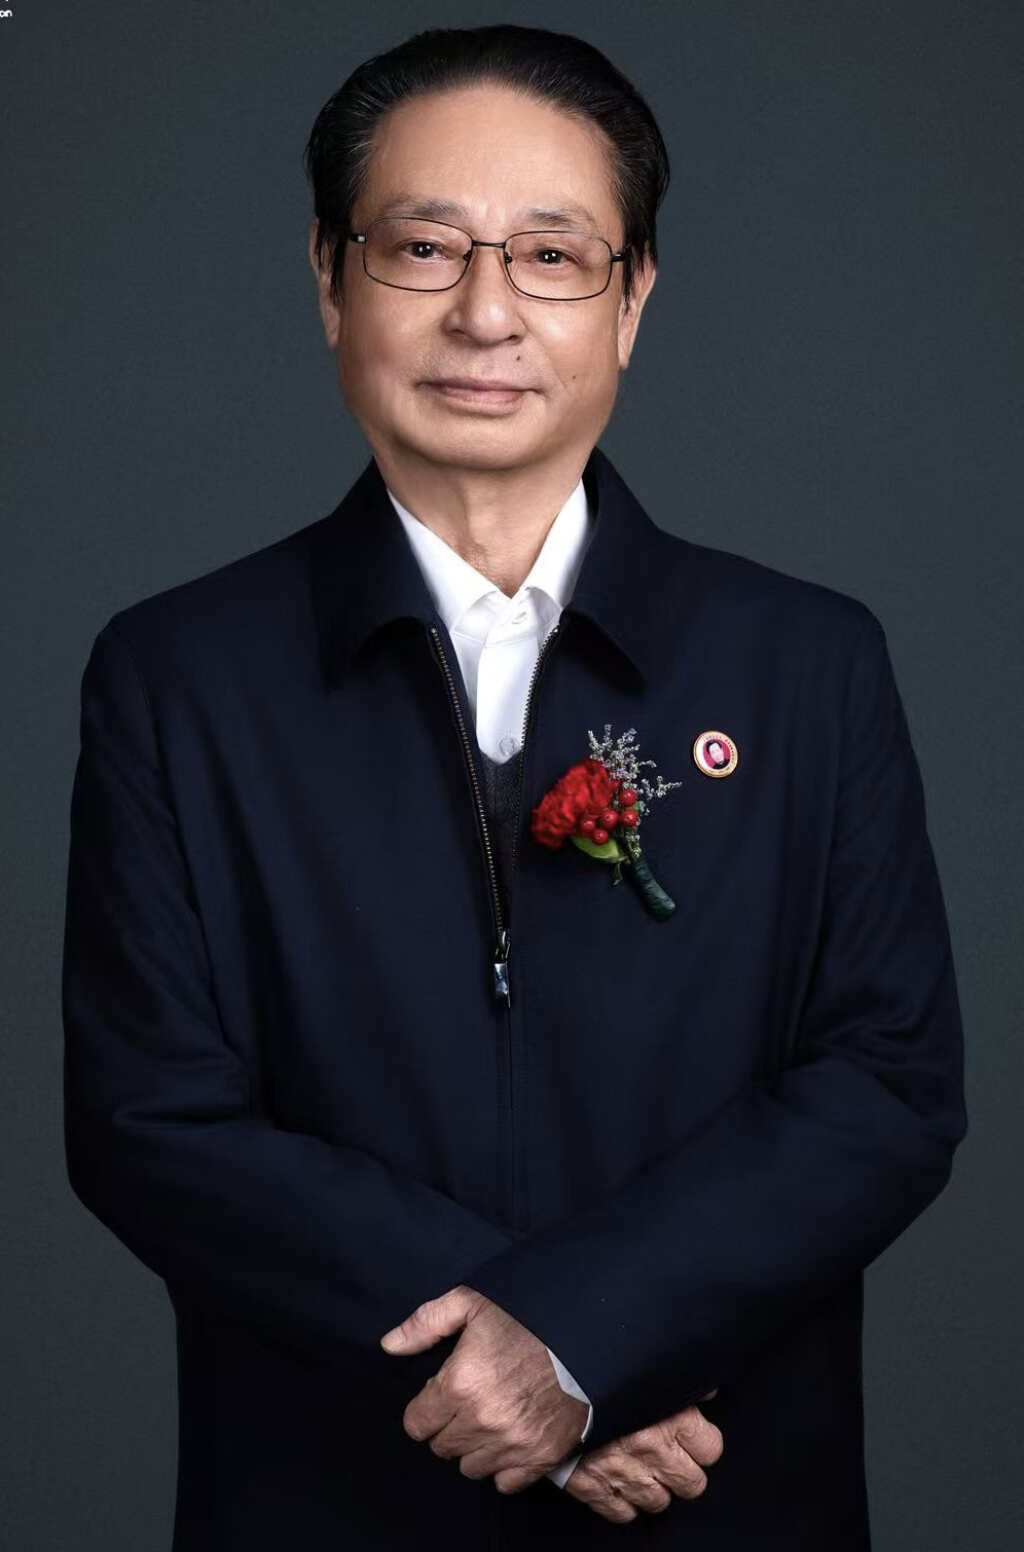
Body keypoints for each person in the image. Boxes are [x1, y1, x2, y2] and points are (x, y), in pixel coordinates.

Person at [61, 24, 967, 1550]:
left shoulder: (808, 662)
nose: (486, 312)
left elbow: (887, 1084)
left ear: (633, 298)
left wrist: (585, 1346)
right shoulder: (179, 673)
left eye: (552, 255)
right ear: (330, 276)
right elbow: (150, 1119)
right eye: (424, 247)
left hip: (721, 1489)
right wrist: (525, 1360)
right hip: (325, 1491)